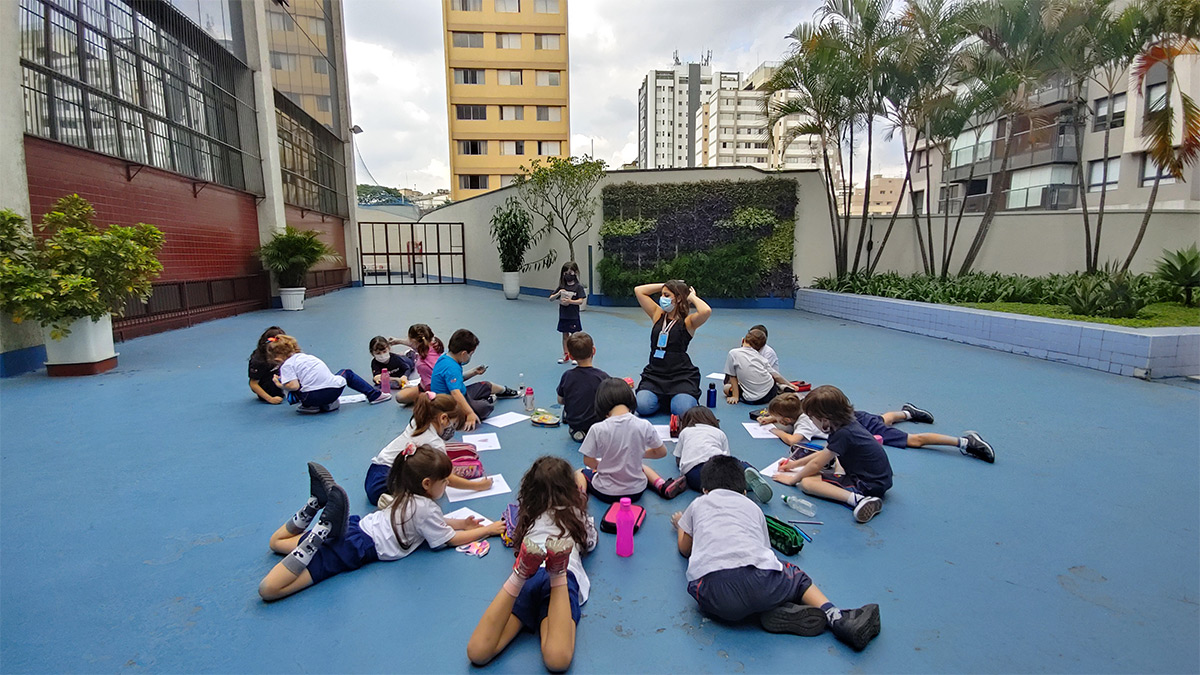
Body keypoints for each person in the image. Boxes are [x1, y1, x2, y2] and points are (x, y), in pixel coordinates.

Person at [670, 455, 882, 651]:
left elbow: (684, 549)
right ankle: (835, 616)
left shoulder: (698, 503)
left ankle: (765, 612)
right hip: (763, 584)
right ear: (744, 491)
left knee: (710, 585)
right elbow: (764, 552)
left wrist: (681, 525)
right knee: (794, 576)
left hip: (716, 596)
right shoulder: (752, 507)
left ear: (705, 490)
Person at [257, 454, 503, 601]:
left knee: (276, 543)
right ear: (428, 483)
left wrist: (460, 523)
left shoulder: (406, 493)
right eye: (445, 481)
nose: (448, 484)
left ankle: (314, 505)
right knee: (269, 590)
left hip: (356, 526)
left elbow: (431, 524)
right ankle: (321, 532)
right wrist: (488, 529)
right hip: (353, 548)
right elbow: (448, 540)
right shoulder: (427, 508)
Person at [467, 456, 598, 672]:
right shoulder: (577, 515)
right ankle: (557, 570)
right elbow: (590, 543)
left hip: (532, 575)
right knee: (557, 661)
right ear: (570, 490)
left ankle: (519, 572)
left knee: (478, 653)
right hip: (564, 578)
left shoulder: (528, 516)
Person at [767, 386, 892, 523]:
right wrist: (794, 464)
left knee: (807, 483)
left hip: (869, 484)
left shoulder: (843, 434)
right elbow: (824, 454)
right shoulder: (847, 424)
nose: (811, 422)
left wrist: (792, 479)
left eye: (812, 418)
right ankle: (854, 492)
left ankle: (858, 499)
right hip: (879, 478)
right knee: (819, 469)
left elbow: (816, 464)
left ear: (824, 420)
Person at [760, 394, 995, 463]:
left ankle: (964, 442)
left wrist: (778, 431)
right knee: (883, 419)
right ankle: (909, 411)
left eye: (779, 419)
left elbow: (795, 440)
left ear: (787, 419)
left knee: (913, 440)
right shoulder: (803, 406)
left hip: (860, 428)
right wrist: (773, 419)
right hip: (857, 417)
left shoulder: (803, 422)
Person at [364, 393, 493, 507]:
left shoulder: (418, 421)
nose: (451, 430)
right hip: (386, 484)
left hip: (375, 472)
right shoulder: (435, 443)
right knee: (433, 490)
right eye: (452, 425)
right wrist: (479, 486)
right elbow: (448, 478)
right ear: (443, 419)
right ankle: (397, 502)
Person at [643, 406, 772, 501]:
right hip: (717, 464)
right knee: (737, 467)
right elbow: (726, 458)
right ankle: (746, 475)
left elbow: (678, 457)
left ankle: (702, 486)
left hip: (694, 472)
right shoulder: (719, 433)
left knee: (700, 480)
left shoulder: (686, 432)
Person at [573, 378, 669, 503]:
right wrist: (637, 453)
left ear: (601, 404)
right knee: (642, 467)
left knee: (580, 472)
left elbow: (588, 460)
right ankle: (660, 484)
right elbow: (661, 452)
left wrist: (601, 466)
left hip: (605, 492)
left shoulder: (598, 428)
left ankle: (581, 495)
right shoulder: (644, 425)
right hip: (636, 492)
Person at [632, 280, 712, 418]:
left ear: (679, 298)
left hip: (680, 375)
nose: (662, 298)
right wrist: (665, 285)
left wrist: (691, 297)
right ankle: (663, 400)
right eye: (662, 294)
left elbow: (706, 311)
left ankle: (675, 399)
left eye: (667, 295)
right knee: (642, 406)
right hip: (655, 374)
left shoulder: (688, 322)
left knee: (681, 410)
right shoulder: (657, 314)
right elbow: (639, 290)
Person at [267, 335, 391, 413]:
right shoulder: (306, 357)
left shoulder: (286, 365)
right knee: (346, 373)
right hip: (333, 391)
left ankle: (311, 406)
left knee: (299, 387)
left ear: (277, 359)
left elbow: (293, 386)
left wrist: (281, 385)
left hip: (310, 397)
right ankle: (374, 395)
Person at [429, 329, 519, 430]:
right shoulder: (451, 367)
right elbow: (456, 393)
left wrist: (473, 372)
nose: (470, 357)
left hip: (461, 394)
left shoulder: (446, 357)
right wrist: (470, 413)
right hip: (451, 403)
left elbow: (457, 380)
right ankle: (485, 401)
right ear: (463, 354)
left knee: (486, 385)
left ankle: (504, 391)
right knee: (484, 408)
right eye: (470, 354)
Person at [556, 332, 610, 442]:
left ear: (571, 356)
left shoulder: (567, 376)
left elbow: (560, 400)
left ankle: (576, 430)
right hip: (597, 422)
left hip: (575, 421)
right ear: (593, 351)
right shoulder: (602, 377)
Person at [723, 328, 797, 406]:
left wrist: (735, 396)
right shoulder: (761, 357)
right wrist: (789, 384)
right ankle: (782, 388)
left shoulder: (733, 353)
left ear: (743, 340)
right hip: (770, 393)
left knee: (726, 388)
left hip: (751, 399)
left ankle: (781, 388)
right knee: (770, 381)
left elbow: (732, 376)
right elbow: (776, 376)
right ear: (761, 348)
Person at [548, 261, 587, 365]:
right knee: (565, 335)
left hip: (573, 315)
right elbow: (551, 298)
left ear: (575, 273)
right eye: (565, 273)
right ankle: (566, 355)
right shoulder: (562, 286)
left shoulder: (578, 287)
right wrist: (558, 293)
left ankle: (575, 355)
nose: (568, 275)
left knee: (575, 336)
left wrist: (570, 301)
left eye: (570, 273)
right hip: (563, 315)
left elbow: (581, 300)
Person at [367, 335, 421, 405]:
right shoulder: (375, 363)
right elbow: (376, 377)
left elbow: (407, 368)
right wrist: (395, 379)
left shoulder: (395, 358)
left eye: (384, 351)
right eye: (378, 353)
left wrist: (405, 376)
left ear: (389, 349)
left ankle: (410, 353)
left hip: (407, 362)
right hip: (395, 375)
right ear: (372, 353)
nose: (382, 355)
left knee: (411, 359)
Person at [392, 324, 443, 390]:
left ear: (413, 341)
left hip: (435, 389)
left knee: (401, 396)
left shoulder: (421, 364)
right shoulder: (436, 345)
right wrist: (397, 341)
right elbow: (418, 343)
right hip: (446, 381)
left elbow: (429, 387)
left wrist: (414, 387)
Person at [248, 326, 286, 404]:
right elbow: (253, 383)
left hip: (280, 379)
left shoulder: (283, 351)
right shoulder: (259, 361)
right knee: (273, 391)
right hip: (269, 387)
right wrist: (270, 399)